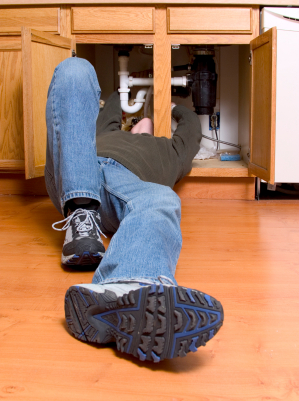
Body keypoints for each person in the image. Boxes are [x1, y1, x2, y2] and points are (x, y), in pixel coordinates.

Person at [45, 57, 224, 363]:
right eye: (137, 119)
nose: (143, 122)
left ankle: (128, 286)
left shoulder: (172, 150)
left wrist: (169, 107)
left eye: (151, 122)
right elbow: (111, 108)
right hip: (76, 166)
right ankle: (81, 211)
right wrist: (127, 89)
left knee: (163, 198)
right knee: (76, 69)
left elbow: (192, 128)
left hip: (125, 189)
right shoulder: (110, 132)